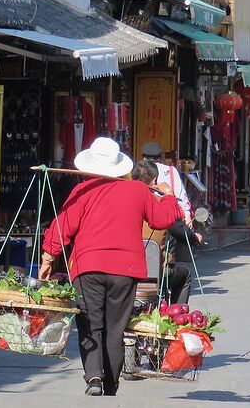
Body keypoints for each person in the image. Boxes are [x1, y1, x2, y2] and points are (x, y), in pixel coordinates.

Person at [38, 137, 182, 397]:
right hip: (124, 270)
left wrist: (48, 257)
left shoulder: (82, 191)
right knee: (115, 328)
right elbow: (163, 219)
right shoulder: (138, 190)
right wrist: (169, 198)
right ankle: (111, 383)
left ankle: (94, 376)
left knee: (90, 324)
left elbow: (63, 227)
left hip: (88, 267)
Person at [131, 160, 194, 305]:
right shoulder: (161, 204)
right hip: (155, 271)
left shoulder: (121, 201)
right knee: (185, 275)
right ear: (155, 181)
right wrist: (194, 237)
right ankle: (176, 316)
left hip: (126, 267)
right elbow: (180, 230)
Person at [140, 141, 192, 226]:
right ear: (160, 157)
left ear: (144, 158)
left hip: (144, 218)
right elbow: (181, 195)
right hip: (168, 216)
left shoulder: (139, 170)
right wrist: (187, 214)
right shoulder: (171, 171)